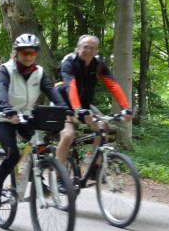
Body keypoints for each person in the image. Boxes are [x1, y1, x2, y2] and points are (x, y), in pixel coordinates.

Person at [0, 33, 73, 208]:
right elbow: (1, 89)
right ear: (17, 53)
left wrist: (64, 108)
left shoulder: (39, 72)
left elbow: (51, 91)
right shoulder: (6, 69)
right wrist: (7, 109)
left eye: (32, 53)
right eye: (24, 53)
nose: (28, 56)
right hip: (4, 117)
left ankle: (35, 177)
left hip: (25, 116)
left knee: (40, 147)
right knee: (12, 155)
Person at [56, 35, 132, 181]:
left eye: (92, 48)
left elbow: (113, 85)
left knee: (103, 127)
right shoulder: (69, 61)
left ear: (96, 50)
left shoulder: (98, 64)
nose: (89, 50)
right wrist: (77, 109)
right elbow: (70, 85)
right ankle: (59, 175)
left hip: (84, 105)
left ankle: (93, 167)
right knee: (67, 135)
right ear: (78, 48)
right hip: (63, 103)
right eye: (85, 47)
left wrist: (126, 108)